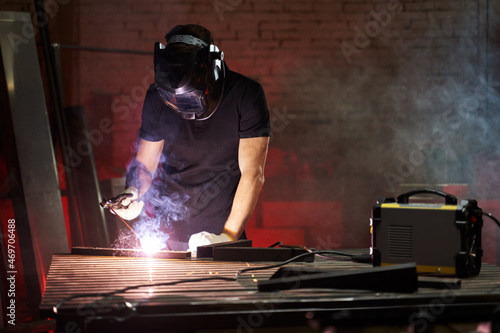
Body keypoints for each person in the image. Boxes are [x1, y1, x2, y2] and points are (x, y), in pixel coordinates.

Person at [110, 24, 270, 252]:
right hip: (168, 235)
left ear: (210, 68)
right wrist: (132, 192)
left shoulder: (246, 95)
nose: (179, 105)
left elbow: (253, 174)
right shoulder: (156, 97)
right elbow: (145, 164)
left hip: (223, 234)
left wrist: (227, 237)